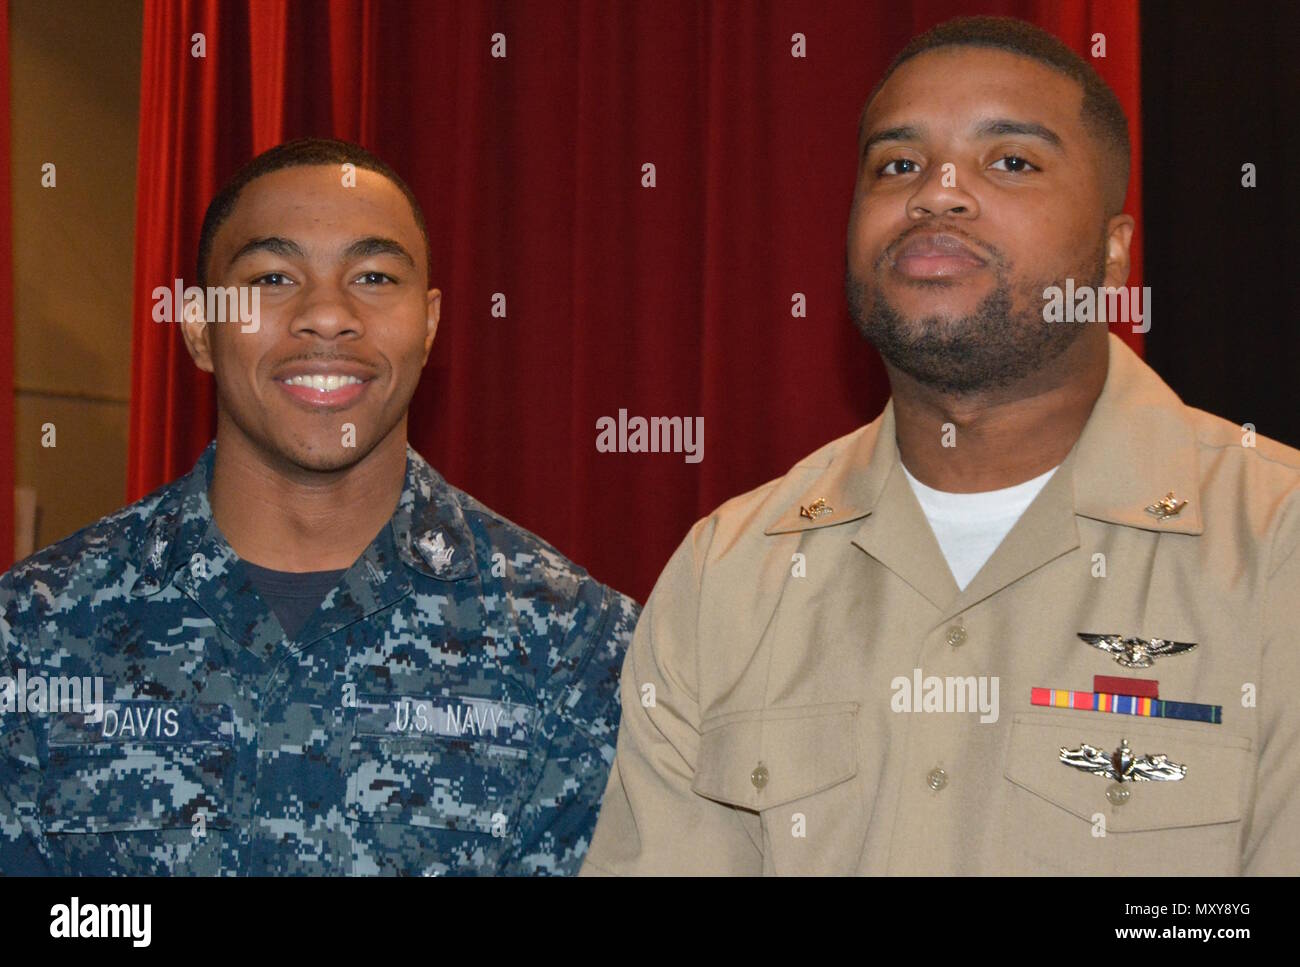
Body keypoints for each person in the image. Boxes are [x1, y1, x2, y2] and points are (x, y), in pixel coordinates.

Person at [582, 16, 1300, 875]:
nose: (938, 193)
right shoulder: (731, 572)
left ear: (1114, 255)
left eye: (1011, 162)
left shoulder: (1274, 547)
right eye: (898, 165)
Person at [0, 138, 638, 876]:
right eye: (273, 277)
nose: (328, 314)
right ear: (199, 327)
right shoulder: (35, 632)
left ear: (429, 325)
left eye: (372, 275)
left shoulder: (572, 645)